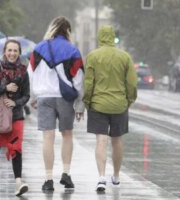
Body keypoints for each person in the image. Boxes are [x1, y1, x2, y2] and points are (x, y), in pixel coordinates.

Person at [28, 16, 85, 191]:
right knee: (67, 135)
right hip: (65, 98)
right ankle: (66, 174)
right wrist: (79, 102)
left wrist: (33, 97)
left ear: (52, 28)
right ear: (68, 31)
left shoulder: (38, 49)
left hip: (44, 97)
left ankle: (48, 179)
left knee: (48, 137)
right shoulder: (73, 50)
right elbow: (79, 78)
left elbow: (30, 73)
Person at [83, 25, 137, 192]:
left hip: (98, 104)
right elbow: (131, 83)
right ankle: (116, 176)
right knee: (117, 140)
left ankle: (101, 177)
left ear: (99, 37)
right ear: (113, 37)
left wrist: (87, 101)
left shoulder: (93, 56)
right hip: (119, 105)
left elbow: (88, 82)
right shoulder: (125, 57)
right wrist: (129, 100)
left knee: (101, 139)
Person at [0, 39, 30, 196]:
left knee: (16, 148)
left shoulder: (23, 71)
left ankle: (18, 183)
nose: (12, 53)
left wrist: (15, 103)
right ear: (4, 51)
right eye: (9, 50)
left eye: (15, 50)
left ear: (19, 53)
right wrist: (4, 88)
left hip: (16, 116)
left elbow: (26, 95)